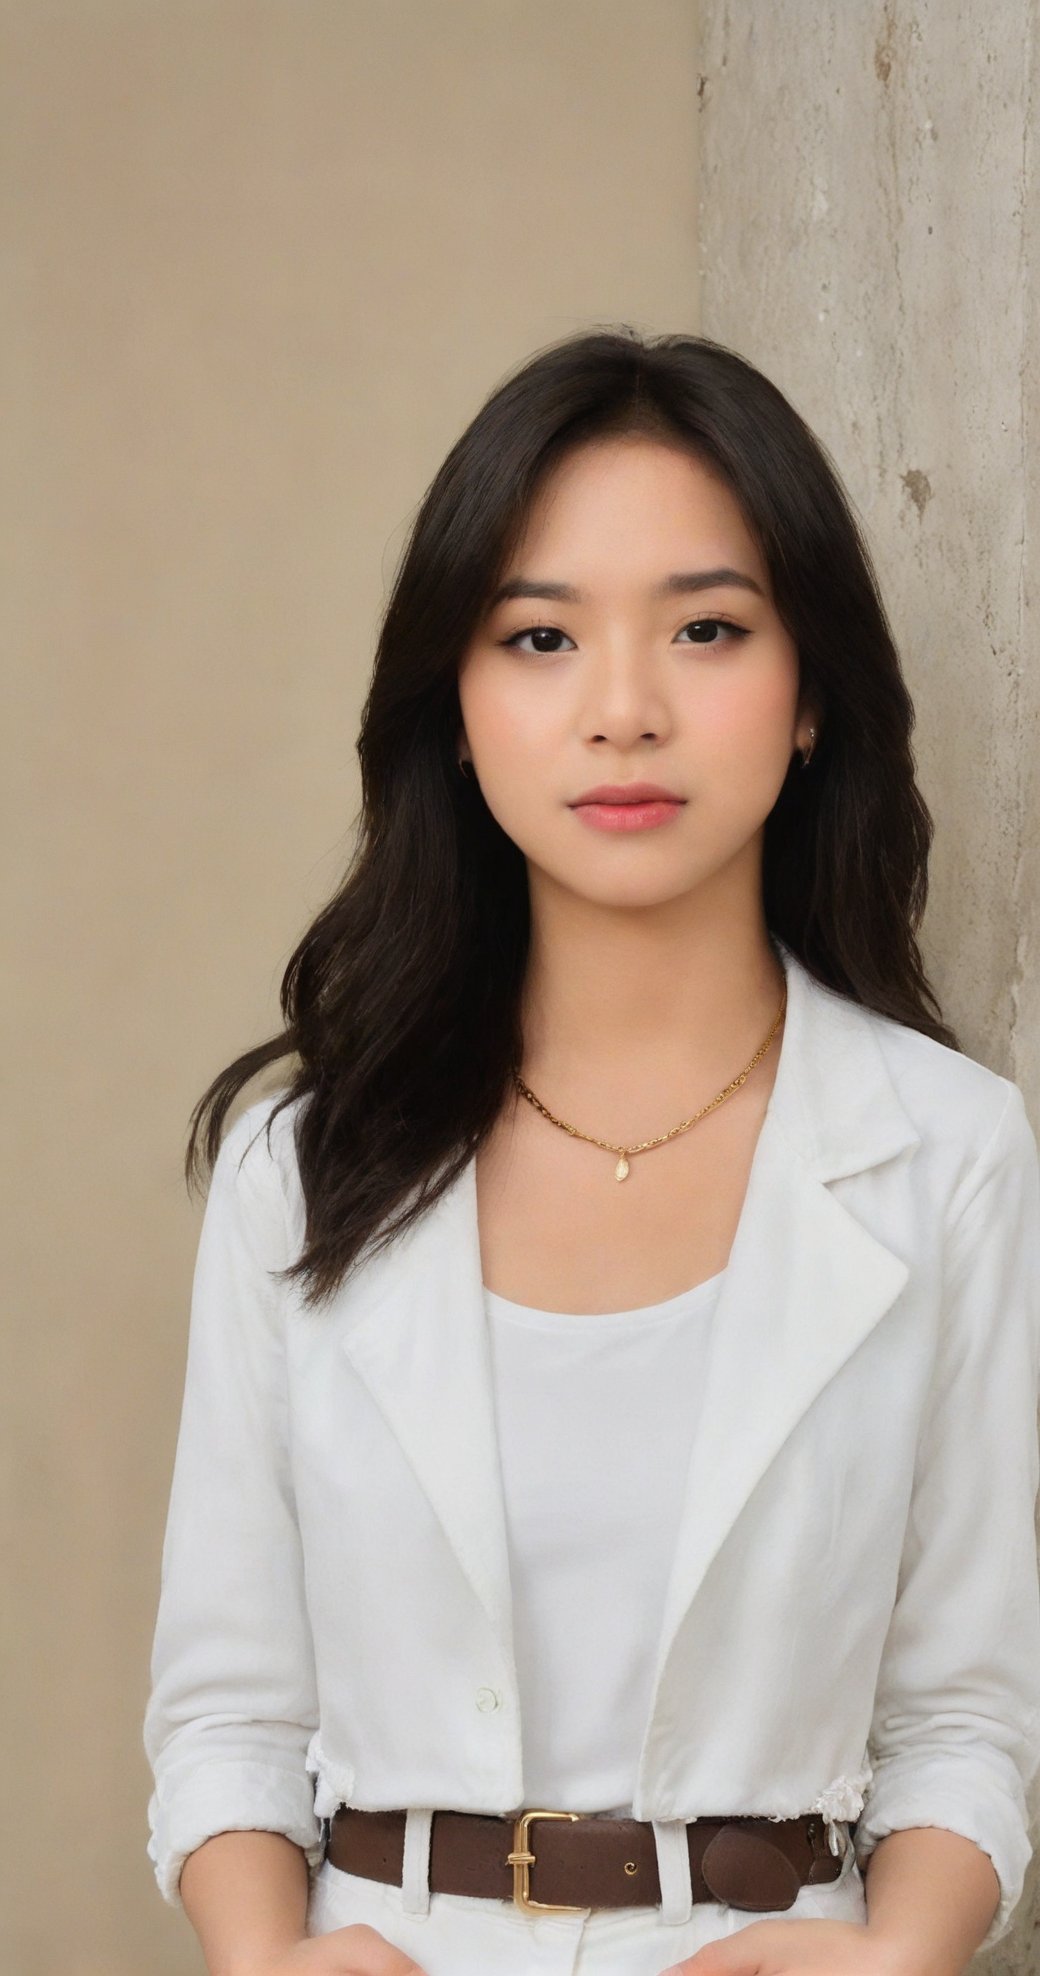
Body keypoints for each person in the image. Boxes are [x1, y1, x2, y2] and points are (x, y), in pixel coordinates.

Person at [143, 327, 1040, 1976]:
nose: (625, 711)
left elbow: (965, 1709)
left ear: (813, 695)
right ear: (461, 712)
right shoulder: (305, 1157)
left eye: (707, 629)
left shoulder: (953, 1155)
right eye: (541, 636)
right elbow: (228, 1705)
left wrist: (899, 1958)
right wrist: (268, 1963)